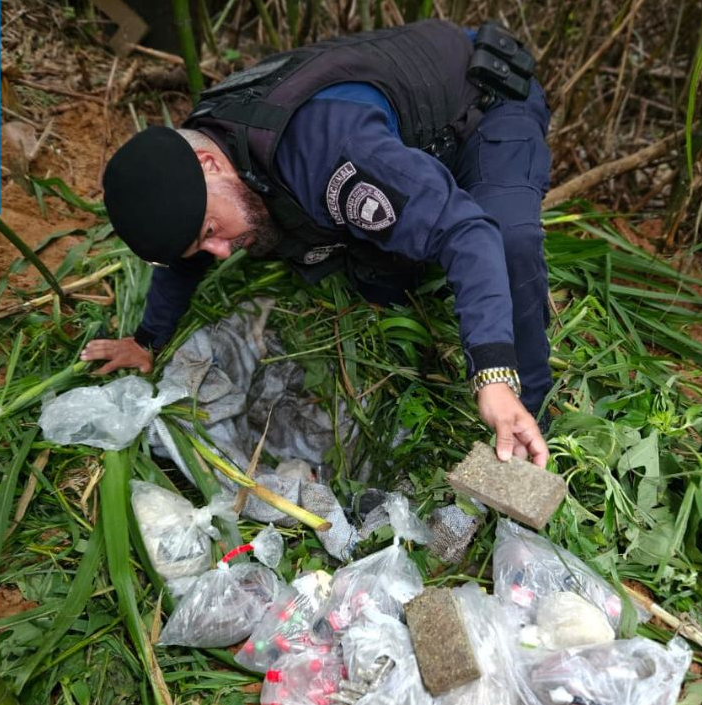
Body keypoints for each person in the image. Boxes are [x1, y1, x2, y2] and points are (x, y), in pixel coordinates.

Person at [83, 19, 552, 467]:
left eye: (211, 233)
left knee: (506, 239)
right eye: (203, 246)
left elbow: (465, 232)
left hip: (484, 101)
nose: (221, 252)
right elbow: (184, 253)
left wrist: (493, 377)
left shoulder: (330, 155)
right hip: (394, 130)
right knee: (382, 282)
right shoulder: (205, 152)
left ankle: (532, 417)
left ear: (209, 164)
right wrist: (148, 338)